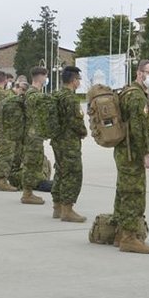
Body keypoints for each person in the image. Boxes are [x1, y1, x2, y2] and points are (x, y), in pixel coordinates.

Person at [113, 60, 149, 254]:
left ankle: (120, 233)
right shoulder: (137, 97)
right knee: (134, 194)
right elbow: (138, 130)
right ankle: (129, 238)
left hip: (124, 152)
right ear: (139, 73)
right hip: (133, 154)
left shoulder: (128, 91)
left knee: (123, 191)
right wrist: (146, 154)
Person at [51, 66, 88, 222]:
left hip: (57, 140)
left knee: (60, 171)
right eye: (78, 79)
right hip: (69, 142)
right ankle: (67, 209)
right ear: (73, 81)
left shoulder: (56, 95)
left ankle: (57, 207)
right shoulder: (71, 98)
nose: (79, 82)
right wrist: (83, 132)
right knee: (73, 173)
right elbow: (75, 121)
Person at [18, 67, 48, 205]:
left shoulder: (31, 93)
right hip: (33, 134)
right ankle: (27, 194)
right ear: (40, 77)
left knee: (35, 163)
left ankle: (29, 191)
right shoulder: (33, 94)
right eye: (45, 76)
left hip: (34, 133)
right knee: (31, 163)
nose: (46, 79)